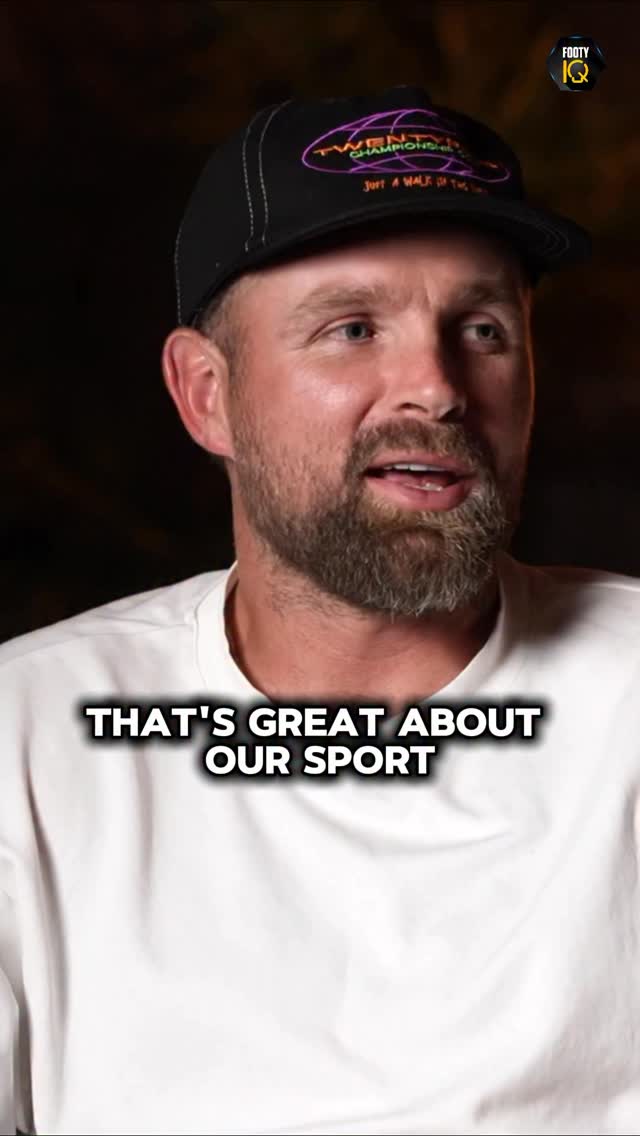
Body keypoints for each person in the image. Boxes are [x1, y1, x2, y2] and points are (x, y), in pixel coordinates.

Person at [1, 85, 639, 1136]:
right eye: (352, 328)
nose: (435, 387)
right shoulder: (30, 737)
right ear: (207, 394)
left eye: (482, 328)